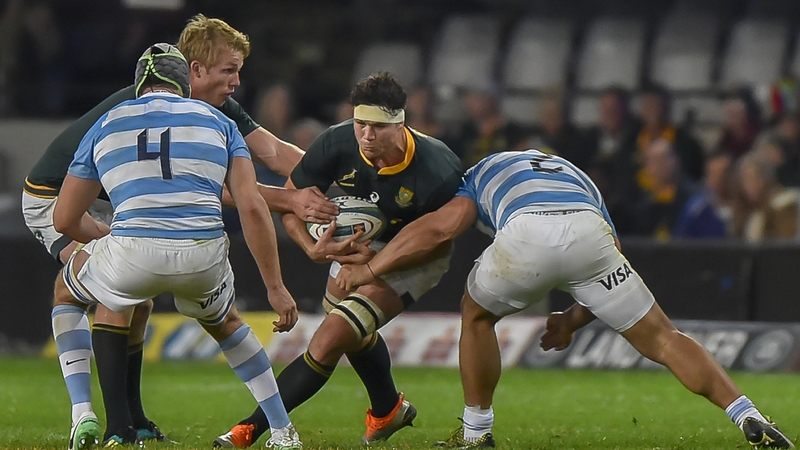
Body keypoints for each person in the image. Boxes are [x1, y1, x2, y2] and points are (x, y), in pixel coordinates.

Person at [335, 149, 794, 449]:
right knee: (664, 336)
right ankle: (748, 415)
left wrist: (370, 269)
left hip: (526, 231)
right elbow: (608, 254)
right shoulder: (579, 179)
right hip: (586, 229)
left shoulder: (475, 174)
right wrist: (572, 321)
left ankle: (476, 434)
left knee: (476, 315)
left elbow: (439, 228)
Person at [21, 14, 335, 449]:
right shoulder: (211, 122)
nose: (238, 82)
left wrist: (339, 175)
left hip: (113, 210)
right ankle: (278, 430)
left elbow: (273, 155)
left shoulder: (146, 118)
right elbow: (235, 196)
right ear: (193, 73)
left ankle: (111, 422)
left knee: (117, 289)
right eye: (229, 70)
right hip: (50, 197)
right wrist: (290, 215)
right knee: (144, 300)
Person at [213, 71, 463, 448]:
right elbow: (294, 202)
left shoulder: (438, 168)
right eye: (361, 123)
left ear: (400, 124)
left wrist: (374, 267)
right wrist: (310, 247)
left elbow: (438, 239)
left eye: (377, 127)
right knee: (351, 331)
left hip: (416, 255)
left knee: (331, 335)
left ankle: (249, 429)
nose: (366, 135)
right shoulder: (336, 142)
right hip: (360, 246)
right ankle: (388, 409)